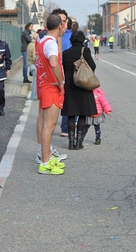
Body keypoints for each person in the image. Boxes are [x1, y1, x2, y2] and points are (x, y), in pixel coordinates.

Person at [35, 8, 68, 166]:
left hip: (44, 84)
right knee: (49, 124)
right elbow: (54, 62)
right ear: (60, 26)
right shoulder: (50, 44)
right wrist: (60, 81)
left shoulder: (43, 40)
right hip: (50, 86)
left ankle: (46, 155)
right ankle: (45, 161)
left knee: (47, 124)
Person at [61, 31, 98, 150]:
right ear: (82, 40)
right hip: (82, 85)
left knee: (71, 114)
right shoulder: (85, 51)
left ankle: (71, 143)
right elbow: (93, 66)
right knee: (82, 114)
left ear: (71, 40)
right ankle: (79, 142)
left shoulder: (65, 53)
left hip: (70, 86)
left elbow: (62, 67)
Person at [60, 17, 73, 137]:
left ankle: (64, 128)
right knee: (74, 99)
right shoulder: (72, 37)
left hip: (59, 71)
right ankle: (72, 127)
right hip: (71, 71)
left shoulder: (56, 37)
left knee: (64, 100)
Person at [0, 38, 12, 116]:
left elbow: (8, 59)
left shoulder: (4, 45)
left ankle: (1, 107)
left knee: (0, 90)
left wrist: (7, 69)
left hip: (0, 71)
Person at [27, 31, 40, 100]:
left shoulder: (29, 44)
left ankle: (34, 95)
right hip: (34, 65)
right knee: (35, 81)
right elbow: (35, 57)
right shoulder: (35, 45)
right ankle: (34, 95)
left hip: (30, 64)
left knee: (34, 81)